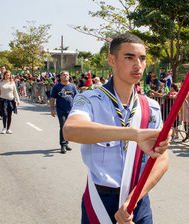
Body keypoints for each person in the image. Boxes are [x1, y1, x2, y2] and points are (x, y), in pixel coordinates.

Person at [63, 33, 171, 224]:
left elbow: (161, 160)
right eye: (129, 58)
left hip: (138, 199)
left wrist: (133, 200)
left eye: (142, 58)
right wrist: (133, 134)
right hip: (101, 199)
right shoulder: (89, 99)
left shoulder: (151, 107)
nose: (138, 65)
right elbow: (71, 130)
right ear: (111, 60)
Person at [50, 71, 78, 154]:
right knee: (63, 126)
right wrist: (52, 110)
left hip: (71, 110)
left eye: (67, 75)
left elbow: (77, 98)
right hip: (61, 110)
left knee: (68, 127)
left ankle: (66, 143)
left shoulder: (72, 86)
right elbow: (52, 99)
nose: (66, 76)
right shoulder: (57, 87)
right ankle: (62, 145)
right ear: (60, 77)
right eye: (64, 75)